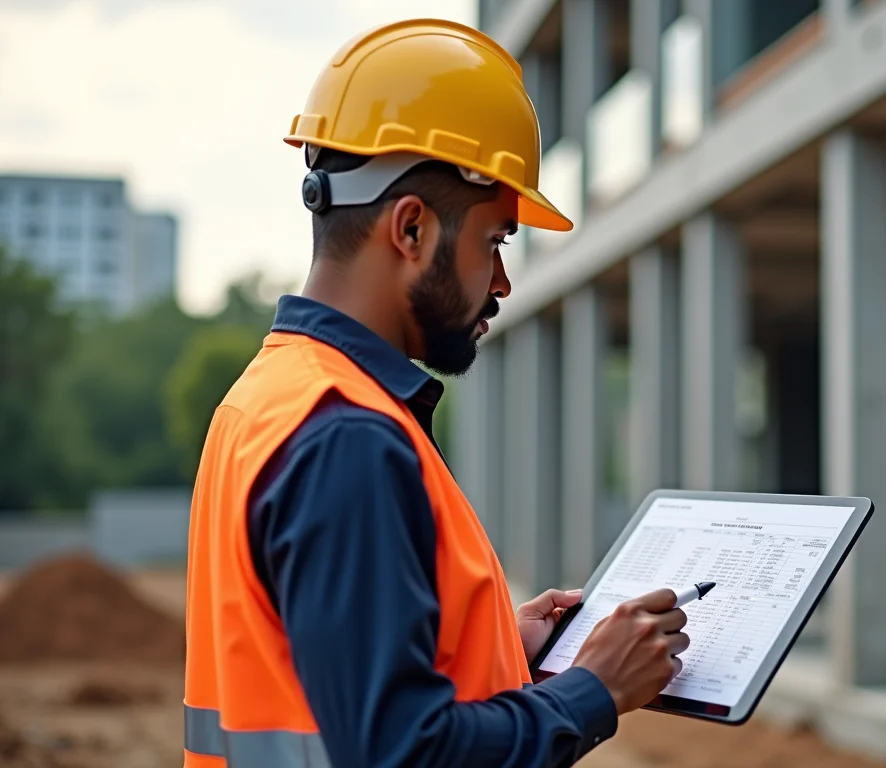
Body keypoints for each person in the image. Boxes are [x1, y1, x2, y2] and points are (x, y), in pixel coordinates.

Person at [182, 19, 690, 768]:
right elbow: (401, 753)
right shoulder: (346, 435)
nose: (503, 283)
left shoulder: (269, 398)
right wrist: (593, 690)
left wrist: (496, 646)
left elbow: (332, 685)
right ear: (412, 229)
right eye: (495, 242)